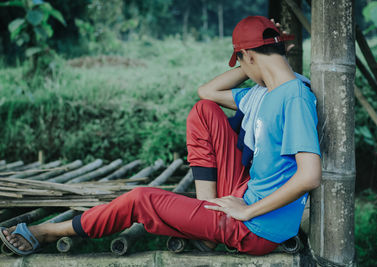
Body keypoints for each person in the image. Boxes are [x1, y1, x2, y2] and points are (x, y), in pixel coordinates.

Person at [0, 16, 321, 256]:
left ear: (248, 58)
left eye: (242, 61)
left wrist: (248, 210)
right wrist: (257, 56)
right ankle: (206, 216)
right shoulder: (267, 93)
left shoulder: (294, 97)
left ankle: (47, 232)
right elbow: (208, 92)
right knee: (204, 112)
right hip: (244, 192)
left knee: (141, 199)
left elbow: (309, 176)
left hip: (255, 227)